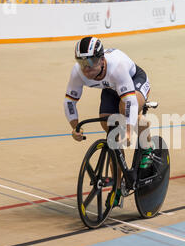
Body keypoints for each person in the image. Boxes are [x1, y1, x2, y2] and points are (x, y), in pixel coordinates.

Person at [64, 36, 152, 206]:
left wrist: (128, 130)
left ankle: (146, 141)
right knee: (110, 131)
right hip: (111, 88)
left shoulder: (116, 67)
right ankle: (118, 188)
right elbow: (69, 101)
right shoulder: (78, 72)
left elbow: (130, 102)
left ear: (101, 59)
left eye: (90, 62)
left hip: (134, 81)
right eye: (81, 62)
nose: (86, 68)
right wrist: (75, 127)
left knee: (123, 111)